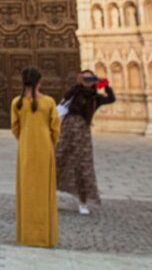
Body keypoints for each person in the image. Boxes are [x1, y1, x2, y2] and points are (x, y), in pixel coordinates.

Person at [10, 67, 60, 248]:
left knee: (26, 191)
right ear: (40, 81)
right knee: (44, 192)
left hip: (26, 150)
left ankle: (27, 236)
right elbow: (55, 129)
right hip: (44, 150)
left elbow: (15, 128)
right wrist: (47, 143)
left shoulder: (17, 103)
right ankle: (44, 237)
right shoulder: (49, 102)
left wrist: (25, 139)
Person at [55, 70, 116, 215]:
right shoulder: (74, 93)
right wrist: (78, 84)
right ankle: (47, 194)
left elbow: (111, 98)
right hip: (67, 132)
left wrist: (105, 84)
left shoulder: (96, 98)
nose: (88, 81)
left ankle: (82, 201)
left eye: (91, 78)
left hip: (83, 135)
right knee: (58, 159)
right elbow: (65, 99)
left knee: (82, 166)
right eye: (85, 78)